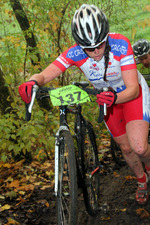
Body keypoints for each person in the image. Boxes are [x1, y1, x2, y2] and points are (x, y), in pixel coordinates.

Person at [19, 4, 150, 205]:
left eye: (100, 45)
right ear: (80, 45)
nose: (96, 52)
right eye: (89, 48)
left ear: (106, 36)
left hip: (131, 94)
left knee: (139, 147)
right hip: (106, 99)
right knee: (126, 148)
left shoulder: (120, 44)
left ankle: (148, 166)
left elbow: (132, 88)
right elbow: (47, 73)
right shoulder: (76, 53)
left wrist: (114, 97)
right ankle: (142, 180)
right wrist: (33, 81)